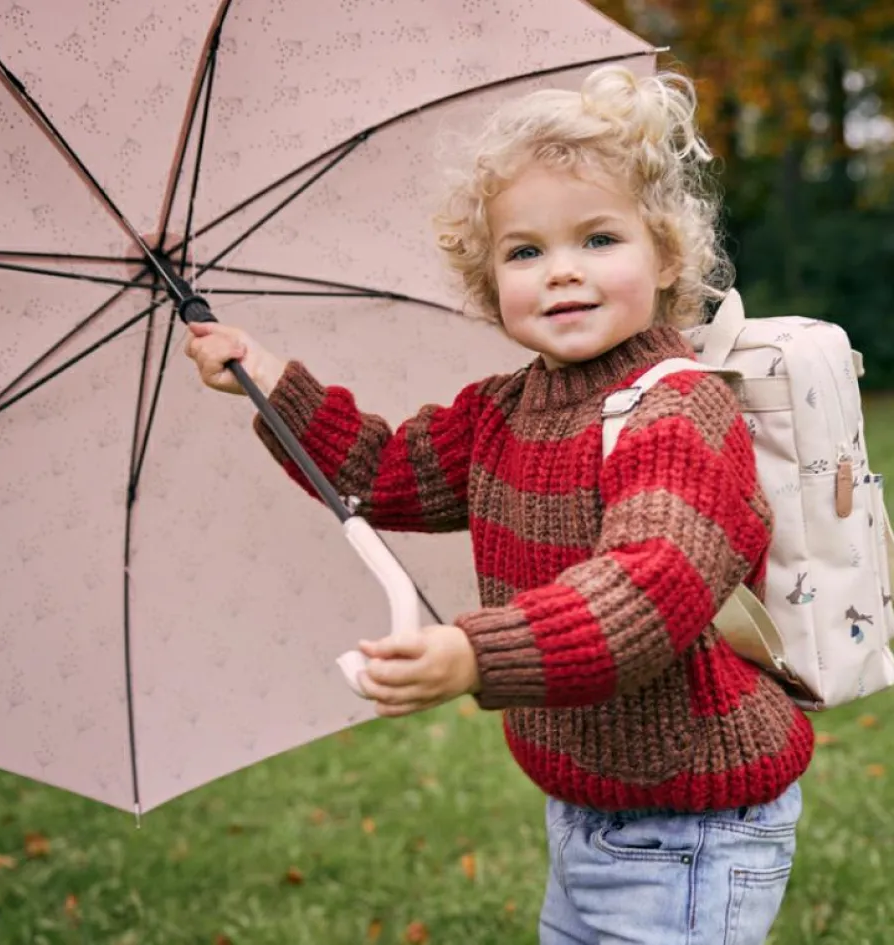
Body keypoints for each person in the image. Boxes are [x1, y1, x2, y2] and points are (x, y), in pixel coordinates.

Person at [185, 65, 814, 945]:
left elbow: (650, 587)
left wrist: (473, 652)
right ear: (490, 285)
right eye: (525, 251)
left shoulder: (678, 409)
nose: (561, 272)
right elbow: (383, 469)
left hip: (691, 824)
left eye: (598, 239)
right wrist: (272, 380)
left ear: (666, 254)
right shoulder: (503, 410)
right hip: (588, 802)